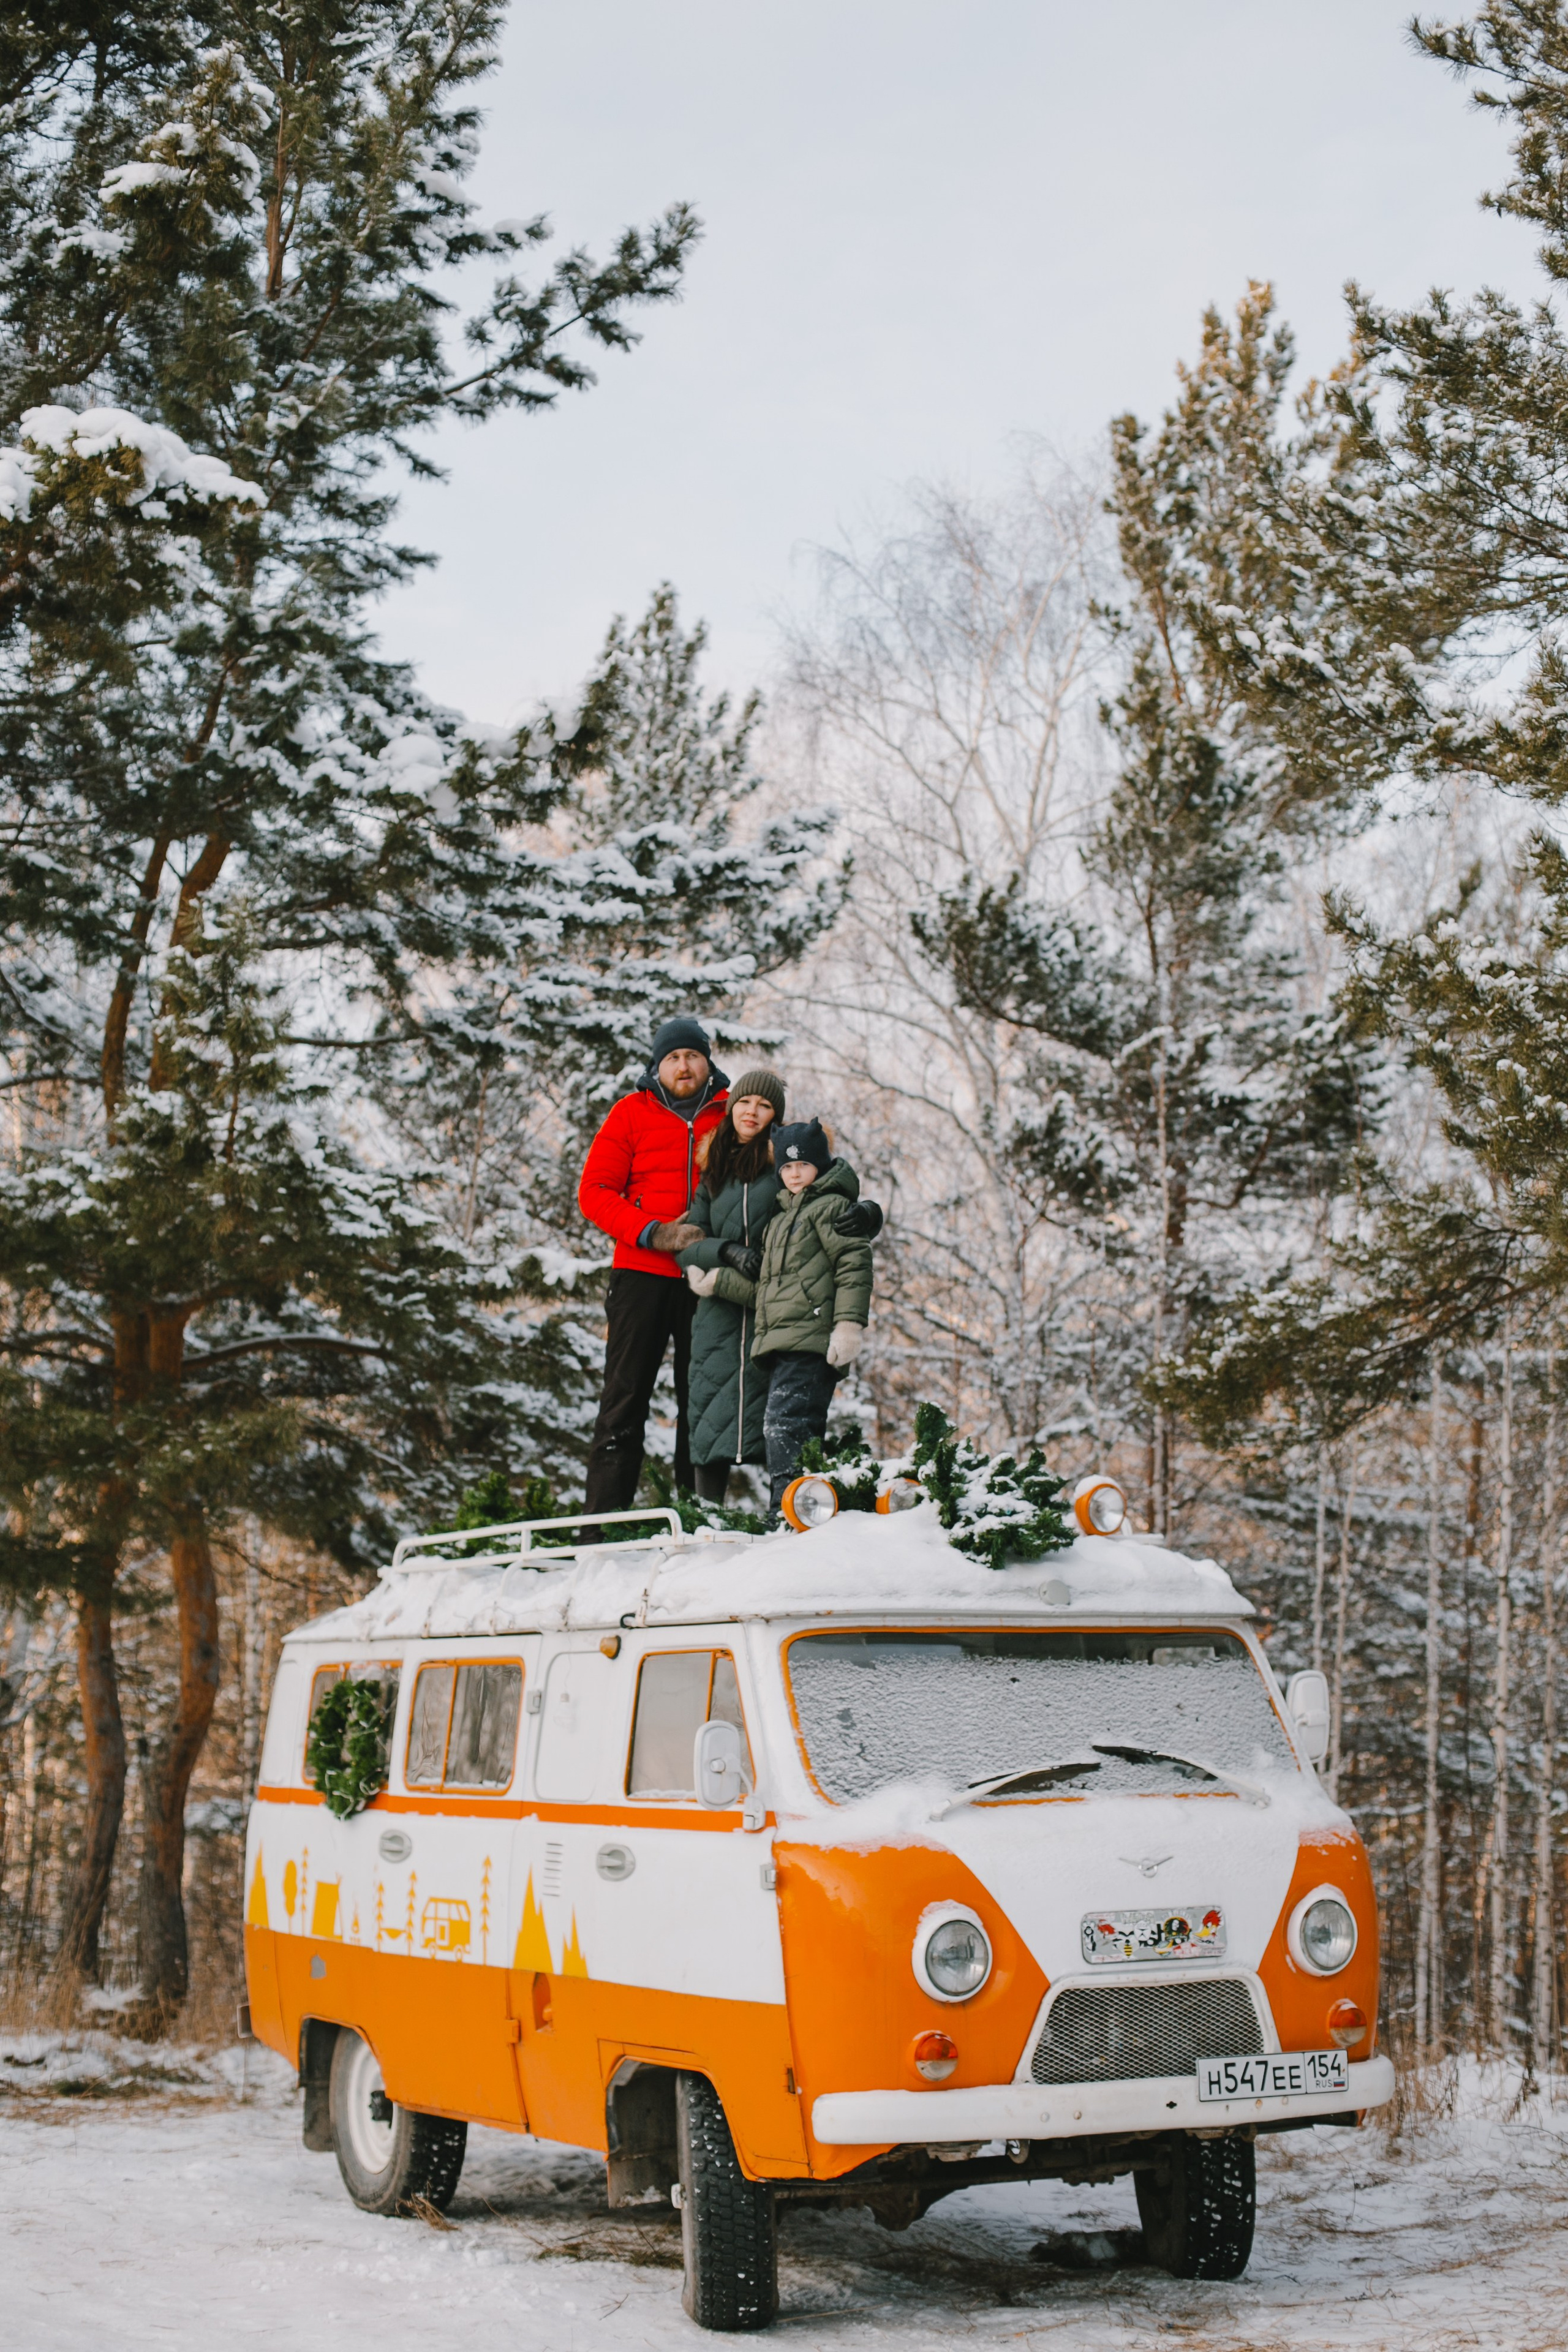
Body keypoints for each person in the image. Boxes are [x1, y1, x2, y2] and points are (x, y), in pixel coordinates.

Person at [577, 1016, 728, 1512]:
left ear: (708, 1060)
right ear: (657, 1065)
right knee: (623, 1401)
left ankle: (696, 1519)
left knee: (702, 1405)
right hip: (640, 1276)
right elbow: (594, 1193)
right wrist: (655, 1232)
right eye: (673, 1058)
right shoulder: (630, 1113)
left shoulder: (732, 1113)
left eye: (692, 1056)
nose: (684, 1066)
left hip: (707, 1279)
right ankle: (600, 1530)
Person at [694, 1115, 875, 1515]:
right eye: (787, 1167)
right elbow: (769, 1290)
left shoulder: (831, 1209)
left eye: (803, 1165)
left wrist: (848, 1325)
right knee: (787, 1426)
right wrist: (720, 1281)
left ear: (820, 1166)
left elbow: (854, 1265)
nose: (795, 1174)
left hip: (811, 1339)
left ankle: (791, 1510)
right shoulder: (780, 1221)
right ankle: (797, 1507)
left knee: (787, 1424)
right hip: (784, 1342)